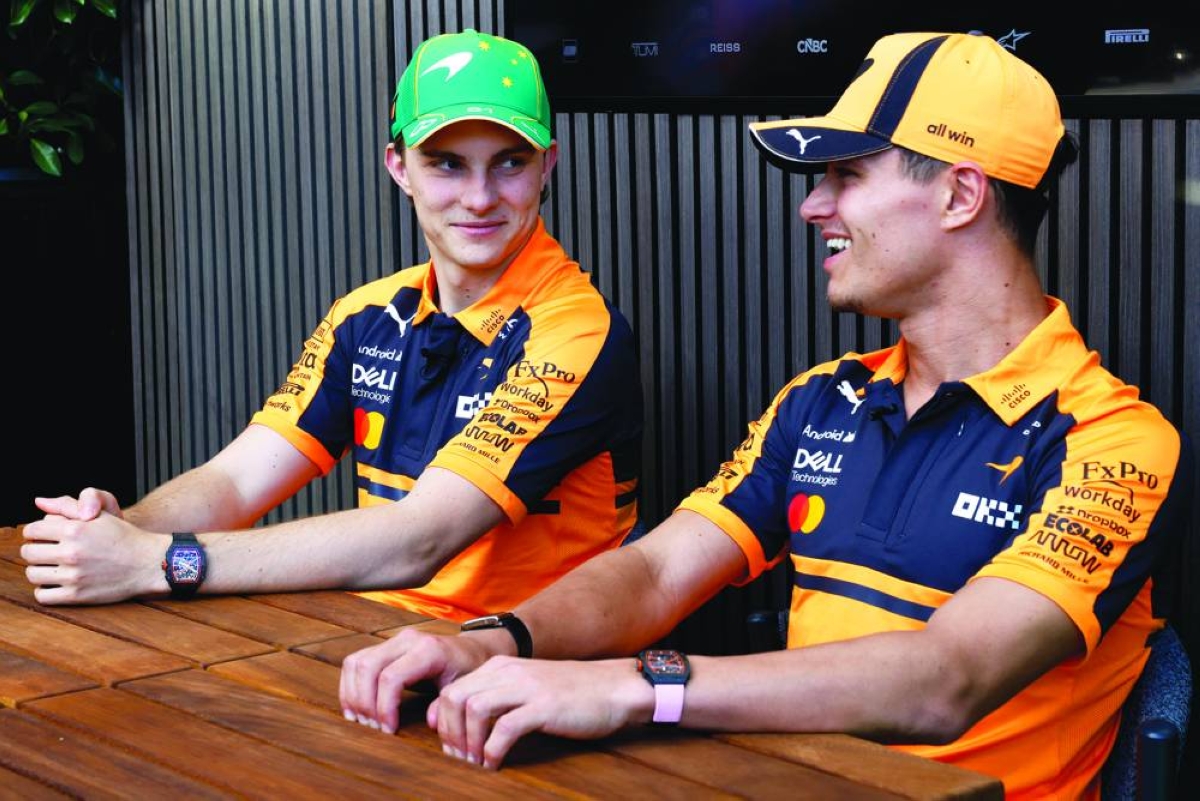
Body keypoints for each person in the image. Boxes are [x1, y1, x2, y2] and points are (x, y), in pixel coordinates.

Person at [336, 31, 1191, 798]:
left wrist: (639, 687)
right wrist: (494, 642)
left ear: (959, 195)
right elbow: (657, 572)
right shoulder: (822, 400)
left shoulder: (1112, 441)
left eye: (846, 175)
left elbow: (946, 678)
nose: (813, 206)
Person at [21, 29, 643, 623]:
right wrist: (122, 529)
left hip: (535, 662)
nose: (480, 198)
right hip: (372, 644)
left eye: (509, 163)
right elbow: (235, 481)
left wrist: (156, 562)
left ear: (546, 166)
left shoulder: (577, 330)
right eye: (447, 164)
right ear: (399, 167)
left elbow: (419, 540)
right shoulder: (367, 315)